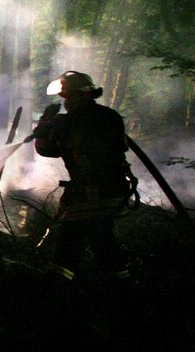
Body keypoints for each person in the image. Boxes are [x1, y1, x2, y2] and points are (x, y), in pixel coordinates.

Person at [32, 71, 135, 282]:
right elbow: (48, 150)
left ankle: (56, 285)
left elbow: (50, 149)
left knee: (71, 239)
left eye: (69, 97)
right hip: (106, 190)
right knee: (101, 236)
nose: (66, 102)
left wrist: (51, 125)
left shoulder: (84, 120)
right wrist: (46, 126)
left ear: (85, 95)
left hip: (94, 192)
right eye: (64, 98)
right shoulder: (105, 116)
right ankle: (118, 283)